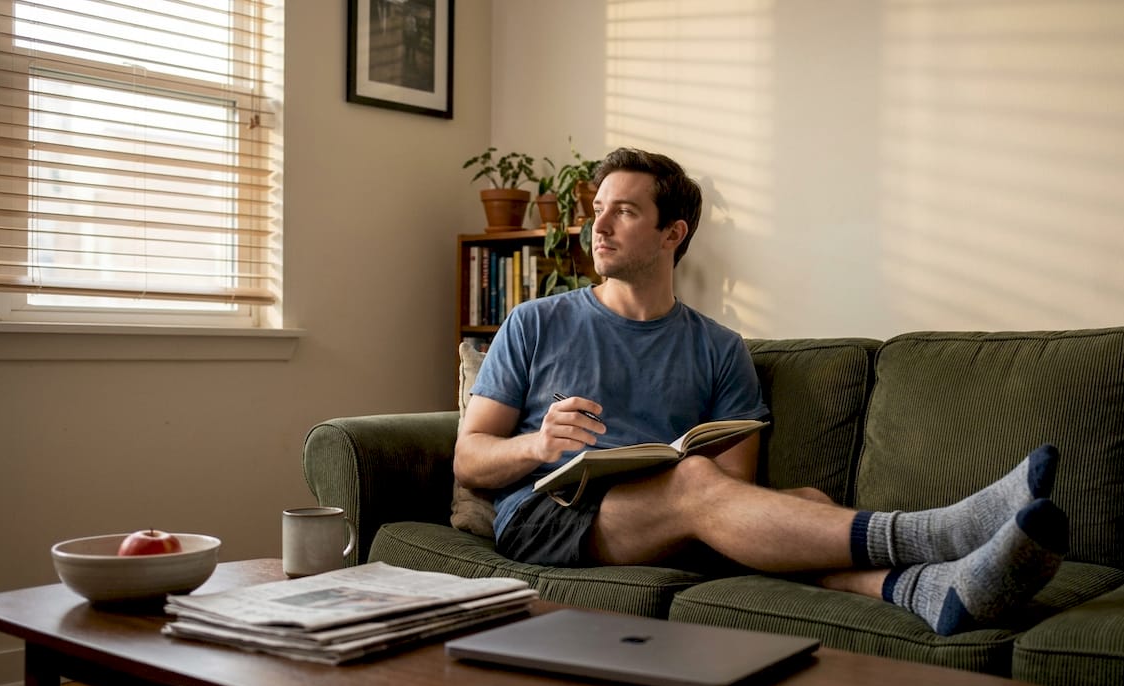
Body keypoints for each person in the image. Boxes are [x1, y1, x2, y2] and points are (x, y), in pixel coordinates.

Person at [454, 148, 1069, 636]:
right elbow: (470, 457)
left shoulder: (719, 348)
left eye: (626, 212)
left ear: (673, 234)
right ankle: (931, 534)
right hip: (548, 516)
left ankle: (928, 592)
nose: (599, 225)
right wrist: (538, 446)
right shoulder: (536, 322)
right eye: (599, 209)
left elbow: (734, 484)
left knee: (803, 499)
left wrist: (680, 481)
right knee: (697, 487)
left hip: (660, 517)